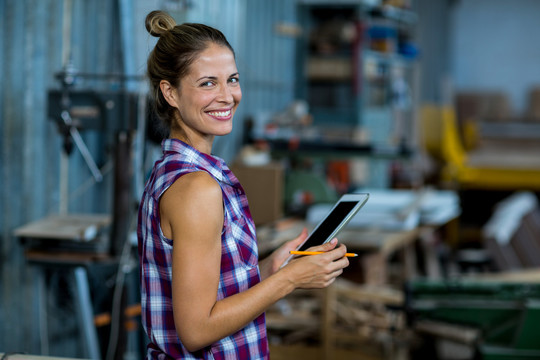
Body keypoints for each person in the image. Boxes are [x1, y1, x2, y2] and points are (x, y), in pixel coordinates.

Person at [137, 10, 350, 359]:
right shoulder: (195, 189)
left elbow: (215, 291)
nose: (227, 96)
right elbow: (196, 331)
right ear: (170, 93)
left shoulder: (179, 171)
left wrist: (271, 268)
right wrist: (290, 280)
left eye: (232, 80)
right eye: (208, 83)